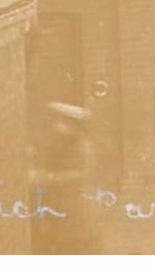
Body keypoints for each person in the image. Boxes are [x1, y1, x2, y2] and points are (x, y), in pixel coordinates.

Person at [31, 102, 100, 254]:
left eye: (59, 122)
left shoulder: (83, 146)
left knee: (80, 247)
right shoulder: (63, 144)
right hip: (63, 208)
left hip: (77, 210)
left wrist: (46, 177)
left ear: (72, 125)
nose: (55, 127)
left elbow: (81, 175)